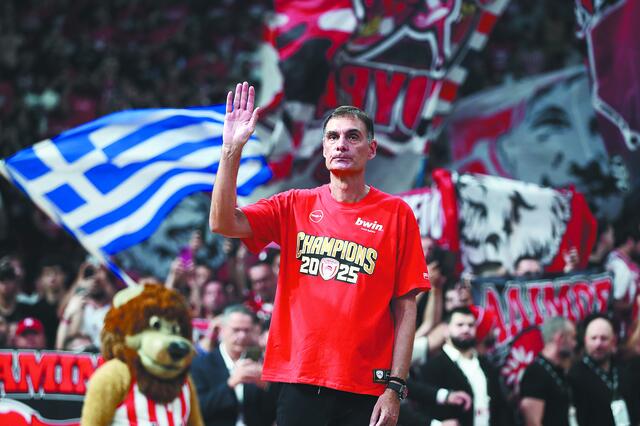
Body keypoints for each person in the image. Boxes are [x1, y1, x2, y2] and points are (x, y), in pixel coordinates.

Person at [209, 82, 430, 426]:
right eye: (333, 137)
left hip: (366, 386)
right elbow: (223, 222)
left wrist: (395, 387)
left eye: (353, 137)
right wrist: (230, 151)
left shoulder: (396, 214)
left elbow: (406, 307)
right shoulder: (294, 204)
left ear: (371, 149)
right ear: (323, 148)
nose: (341, 144)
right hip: (300, 379)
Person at [417, 307, 509, 426]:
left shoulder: (487, 365)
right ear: (446, 330)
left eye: (470, 325)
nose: (466, 329)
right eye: (460, 325)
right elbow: (425, 406)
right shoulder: (432, 367)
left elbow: (500, 407)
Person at [190, 304, 277, 426]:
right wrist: (231, 383)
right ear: (222, 330)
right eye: (236, 330)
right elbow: (198, 410)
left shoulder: (260, 362)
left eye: (246, 330)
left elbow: (273, 413)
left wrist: (267, 386)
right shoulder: (201, 364)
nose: (242, 336)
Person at [568, 314, 639, 426]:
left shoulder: (625, 370)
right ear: (585, 341)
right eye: (593, 338)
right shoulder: (575, 375)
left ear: (613, 341)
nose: (598, 344)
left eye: (603, 338)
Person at [519, 317, 577, 426]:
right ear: (560, 338)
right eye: (572, 338)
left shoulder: (557, 371)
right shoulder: (536, 373)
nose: (575, 344)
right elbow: (533, 422)